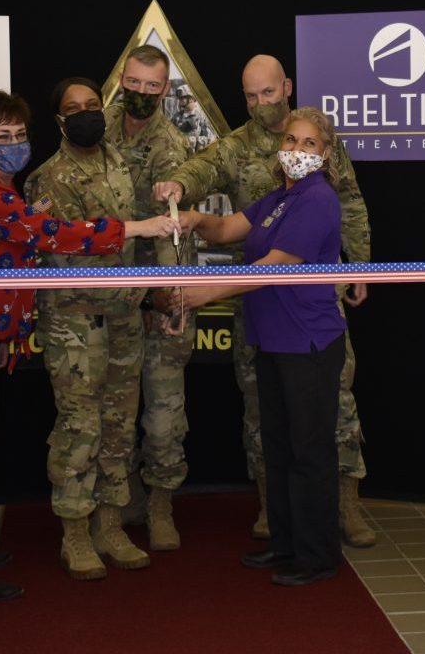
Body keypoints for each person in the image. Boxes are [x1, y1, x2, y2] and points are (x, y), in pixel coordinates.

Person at [0, 89, 176, 603]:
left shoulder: (0, 189)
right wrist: (138, 227)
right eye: (1, 138)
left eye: (18, 136)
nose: (14, 145)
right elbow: (51, 234)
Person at [153, 54, 376, 547]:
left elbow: (352, 203)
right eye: (251, 97)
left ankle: (345, 504)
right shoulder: (241, 150)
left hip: (309, 306)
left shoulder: (318, 147)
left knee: (334, 405)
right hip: (261, 312)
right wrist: (183, 194)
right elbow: (206, 174)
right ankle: (273, 507)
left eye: (268, 94)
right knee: (265, 413)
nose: (260, 105)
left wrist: (359, 265)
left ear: (287, 87)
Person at [174, 107, 347, 586]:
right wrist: (192, 219)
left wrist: (203, 292)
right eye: (290, 141)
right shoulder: (279, 198)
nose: (295, 150)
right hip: (273, 341)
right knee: (278, 448)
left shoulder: (317, 200)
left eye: (308, 144)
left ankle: (317, 557)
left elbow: (274, 265)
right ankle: (286, 545)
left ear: (326, 154)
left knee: (309, 451)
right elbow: (229, 229)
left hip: (308, 344)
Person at [25, 77, 153, 580]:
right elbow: (63, 251)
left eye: (93, 105)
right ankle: (74, 534)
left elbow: (136, 233)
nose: (86, 114)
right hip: (75, 324)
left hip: (124, 317)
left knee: (120, 425)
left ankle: (110, 524)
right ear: (59, 120)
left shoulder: (120, 162)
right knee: (80, 429)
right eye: (74, 108)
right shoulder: (48, 179)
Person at [103, 46, 196, 552]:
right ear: (122, 78)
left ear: (166, 89)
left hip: (158, 294)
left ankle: (161, 504)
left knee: (163, 415)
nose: (140, 93)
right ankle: (124, 501)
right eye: (133, 83)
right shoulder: (93, 130)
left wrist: (174, 297)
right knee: (113, 413)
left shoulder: (172, 146)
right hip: (110, 295)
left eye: (151, 86)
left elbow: (174, 232)